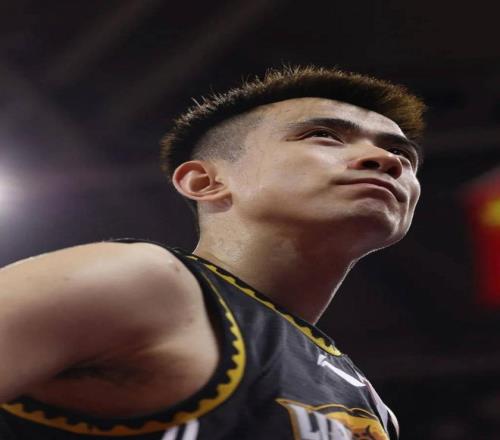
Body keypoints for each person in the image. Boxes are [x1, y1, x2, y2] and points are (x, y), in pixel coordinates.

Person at [0, 65, 425, 440]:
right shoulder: (143, 278)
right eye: (325, 136)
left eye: (401, 154)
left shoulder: (370, 405)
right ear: (205, 182)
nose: (385, 160)